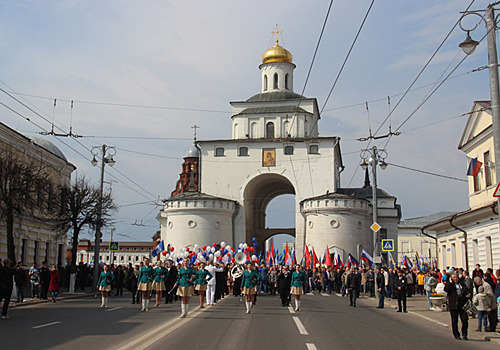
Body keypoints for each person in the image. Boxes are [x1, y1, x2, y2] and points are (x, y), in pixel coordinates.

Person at [445, 272, 471, 340]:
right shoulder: (450, 285)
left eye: (456, 277)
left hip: (462, 305)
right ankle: (456, 334)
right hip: (454, 305)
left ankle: (464, 334)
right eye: (454, 278)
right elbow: (446, 290)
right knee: (454, 321)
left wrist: (468, 295)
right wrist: (450, 283)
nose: (455, 279)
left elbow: (466, 290)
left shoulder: (461, 284)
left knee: (465, 319)